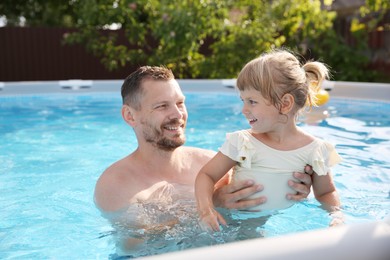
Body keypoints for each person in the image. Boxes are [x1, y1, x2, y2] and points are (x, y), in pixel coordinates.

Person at [94, 65, 313, 253]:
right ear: (130, 116)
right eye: (162, 106)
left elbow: (252, 217)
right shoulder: (116, 183)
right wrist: (210, 205)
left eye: (180, 103)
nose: (178, 115)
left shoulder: (213, 164)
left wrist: (291, 189)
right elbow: (136, 246)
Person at [195, 48, 344, 232]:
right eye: (243, 100)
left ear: (285, 104)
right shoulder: (242, 142)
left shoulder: (316, 150)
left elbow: (326, 192)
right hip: (233, 225)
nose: (244, 110)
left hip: (283, 227)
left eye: (252, 101)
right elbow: (206, 176)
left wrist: (337, 216)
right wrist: (206, 210)